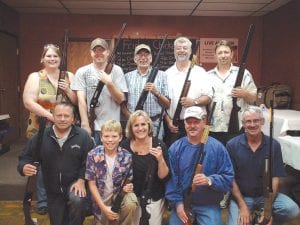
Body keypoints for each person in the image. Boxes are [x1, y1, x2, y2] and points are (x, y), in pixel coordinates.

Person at [23, 43, 77, 214]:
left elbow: (76, 101)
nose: (52, 59)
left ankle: (64, 196)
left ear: (60, 59)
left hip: (66, 129)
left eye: (55, 56)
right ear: (42, 58)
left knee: (64, 163)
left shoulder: (69, 75)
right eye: (49, 56)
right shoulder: (35, 77)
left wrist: (68, 90)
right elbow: (28, 101)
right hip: (40, 129)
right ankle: (43, 201)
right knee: (42, 164)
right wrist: (50, 116)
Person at [18, 102, 94, 225]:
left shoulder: (83, 136)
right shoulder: (41, 136)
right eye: (59, 115)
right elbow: (24, 157)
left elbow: (90, 162)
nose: (62, 119)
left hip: (75, 186)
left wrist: (81, 180)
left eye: (66, 116)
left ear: (73, 118)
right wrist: (23, 167)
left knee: (77, 201)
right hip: (53, 191)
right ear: (53, 116)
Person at [226, 106, 300, 225]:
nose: (252, 124)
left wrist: (268, 208)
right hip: (242, 196)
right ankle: (253, 215)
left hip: (266, 196)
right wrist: (242, 206)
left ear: (262, 121)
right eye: (248, 121)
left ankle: (265, 218)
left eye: (256, 120)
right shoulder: (232, 145)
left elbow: (275, 179)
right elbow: (230, 179)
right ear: (243, 124)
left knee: (292, 210)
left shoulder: (274, 145)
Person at [165, 106, 234, 225]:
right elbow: (171, 181)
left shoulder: (217, 148)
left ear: (204, 123)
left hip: (208, 204)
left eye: (196, 122)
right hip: (182, 203)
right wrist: (178, 204)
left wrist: (210, 180)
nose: (192, 126)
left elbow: (228, 178)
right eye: (188, 122)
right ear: (184, 124)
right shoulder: (175, 148)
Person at [71, 38, 127, 145]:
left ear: (108, 52)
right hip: (92, 126)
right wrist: (85, 124)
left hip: (112, 127)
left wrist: (109, 83)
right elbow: (81, 100)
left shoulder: (117, 70)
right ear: (91, 53)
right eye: (95, 50)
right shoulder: (82, 72)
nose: (98, 53)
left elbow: (121, 99)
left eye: (102, 50)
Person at [120, 110, 170, 225]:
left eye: (143, 124)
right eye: (136, 125)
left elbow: (164, 177)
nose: (140, 128)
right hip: (133, 197)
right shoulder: (125, 145)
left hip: (154, 195)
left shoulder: (159, 145)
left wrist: (160, 159)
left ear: (149, 125)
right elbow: (119, 173)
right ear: (131, 128)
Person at [85, 119, 137, 225]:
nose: (110, 140)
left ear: (120, 138)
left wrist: (129, 186)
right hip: (100, 199)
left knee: (131, 202)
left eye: (114, 136)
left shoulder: (127, 156)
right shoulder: (93, 155)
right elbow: (92, 184)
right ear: (101, 137)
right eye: (106, 136)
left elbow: (128, 180)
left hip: (118, 197)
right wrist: (104, 208)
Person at [164, 37, 212, 147]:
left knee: (200, 155)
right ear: (174, 51)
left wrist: (194, 102)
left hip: (198, 124)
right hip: (174, 126)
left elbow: (208, 97)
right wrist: (168, 121)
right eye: (178, 48)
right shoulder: (167, 74)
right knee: (174, 156)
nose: (182, 50)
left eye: (185, 48)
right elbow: (163, 104)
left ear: (190, 51)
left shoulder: (200, 72)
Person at [208, 39, 257, 146]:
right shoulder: (208, 76)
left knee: (235, 159)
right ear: (215, 56)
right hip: (213, 128)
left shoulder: (244, 73)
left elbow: (253, 98)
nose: (223, 55)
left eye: (226, 52)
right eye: (220, 53)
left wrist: (245, 94)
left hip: (237, 126)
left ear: (232, 54)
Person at [121, 44, 170, 139]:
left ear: (151, 58)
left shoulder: (162, 76)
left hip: (155, 123)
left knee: (154, 152)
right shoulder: (127, 77)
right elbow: (122, 104)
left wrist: (157, 93)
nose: (143, 58)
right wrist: (131, 118)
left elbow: (167, 104)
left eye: (146, 55)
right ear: (135, 58)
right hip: (134, 123)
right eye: (140, 55)